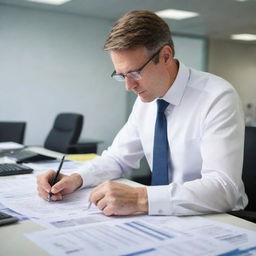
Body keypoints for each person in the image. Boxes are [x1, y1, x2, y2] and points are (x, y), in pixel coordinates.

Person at [37, 10, 247, 216]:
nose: (128, 86)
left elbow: (224, 189)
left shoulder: (217, 96)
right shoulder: (146, 99)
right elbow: (118, 158)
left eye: (134, 73)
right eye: (121, 75)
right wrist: (76, 178)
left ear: (165, 56)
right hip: (162, 217)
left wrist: (140, 198)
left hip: (218, 218)